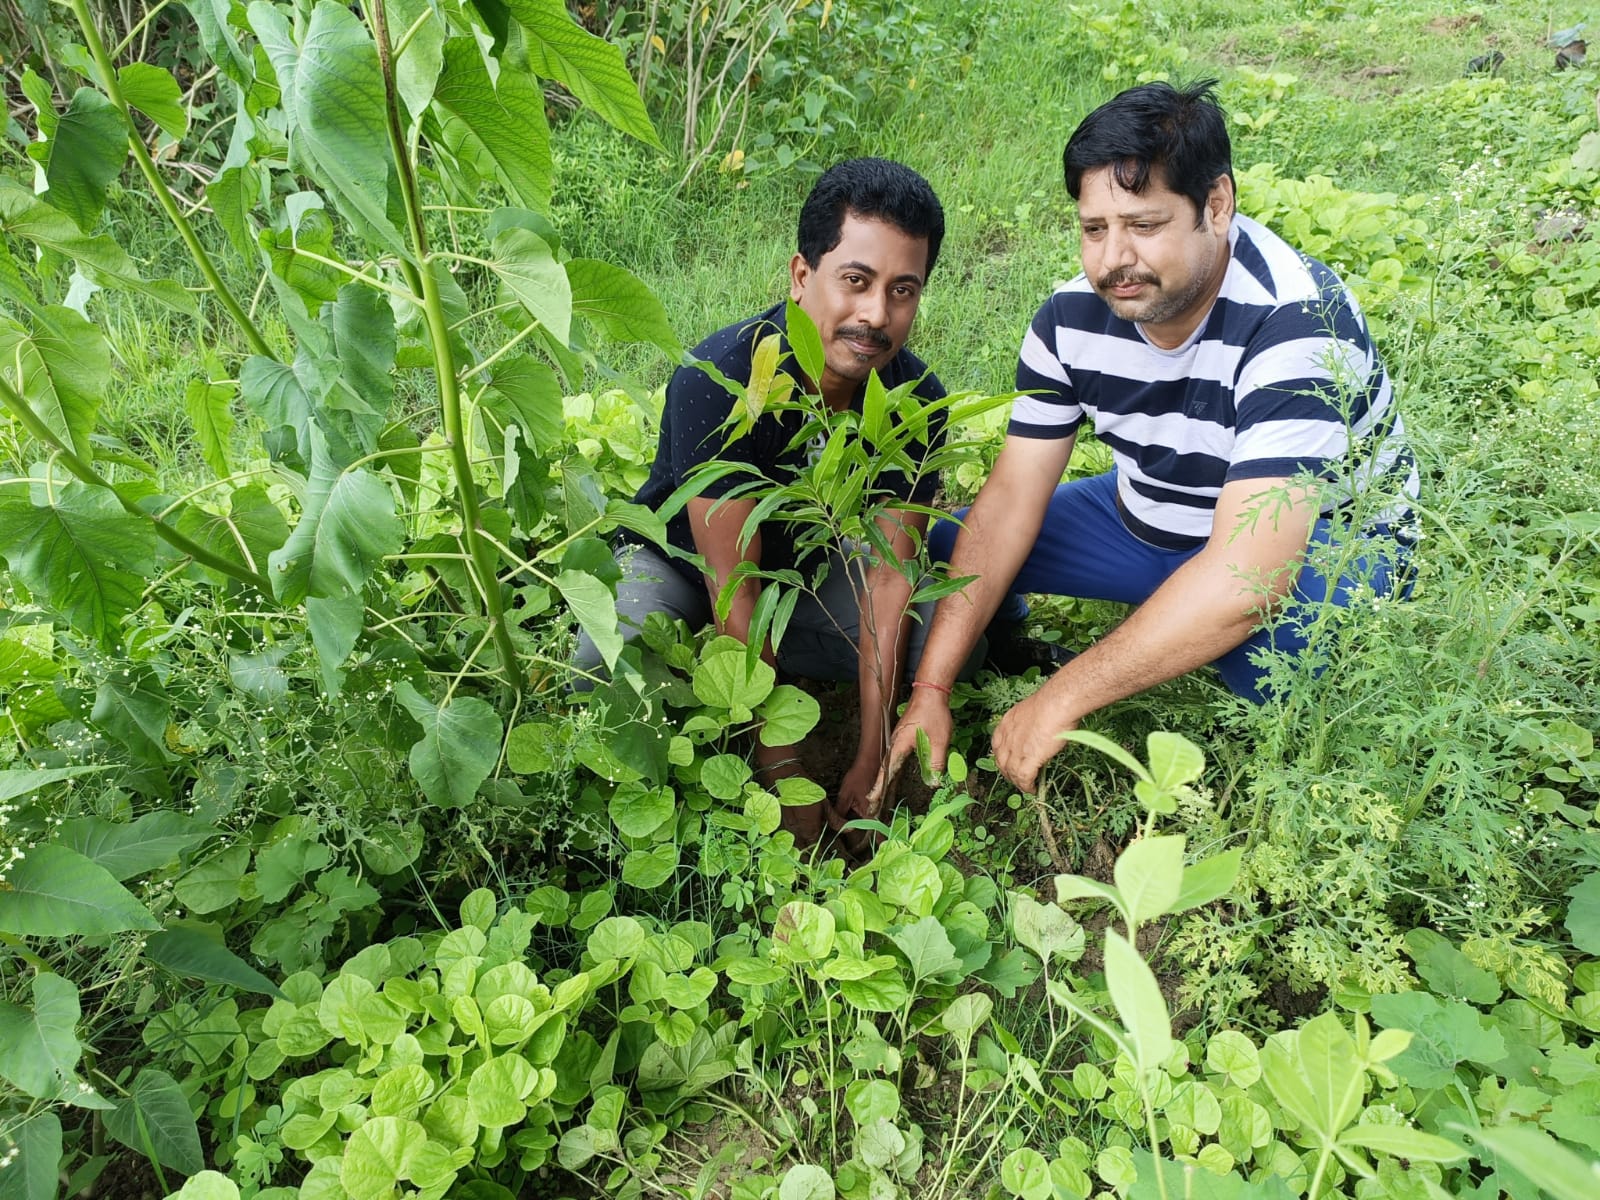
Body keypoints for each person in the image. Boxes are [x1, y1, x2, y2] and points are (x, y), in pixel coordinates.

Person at [862, 80, 1417, 809]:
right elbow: (1010, 502)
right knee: (948, 554)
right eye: (1094, 229)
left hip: (1324, 541)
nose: (1114, 258)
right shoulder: (1069, 319)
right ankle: (1019, 647)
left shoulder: (1296, 322)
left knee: (1267, 658)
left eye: (1144, 224)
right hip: (1153, 518)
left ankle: (1210, 662)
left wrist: (1064, 696)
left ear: (1217, 205)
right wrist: (931, 687)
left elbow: (1250, 577)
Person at [575, 157, 957, 843]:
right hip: (683, 564)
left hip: (803, 574)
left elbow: (888, 580)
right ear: (802, 275)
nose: (876, 315)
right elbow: (735, 588)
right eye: (856, 281)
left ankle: (740, 673)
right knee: (602, 663)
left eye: (903, 290)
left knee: (946, 639)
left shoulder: (914, 401)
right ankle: (719, 687)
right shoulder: (723, 379)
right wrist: (784, 770)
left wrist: (872, 756)